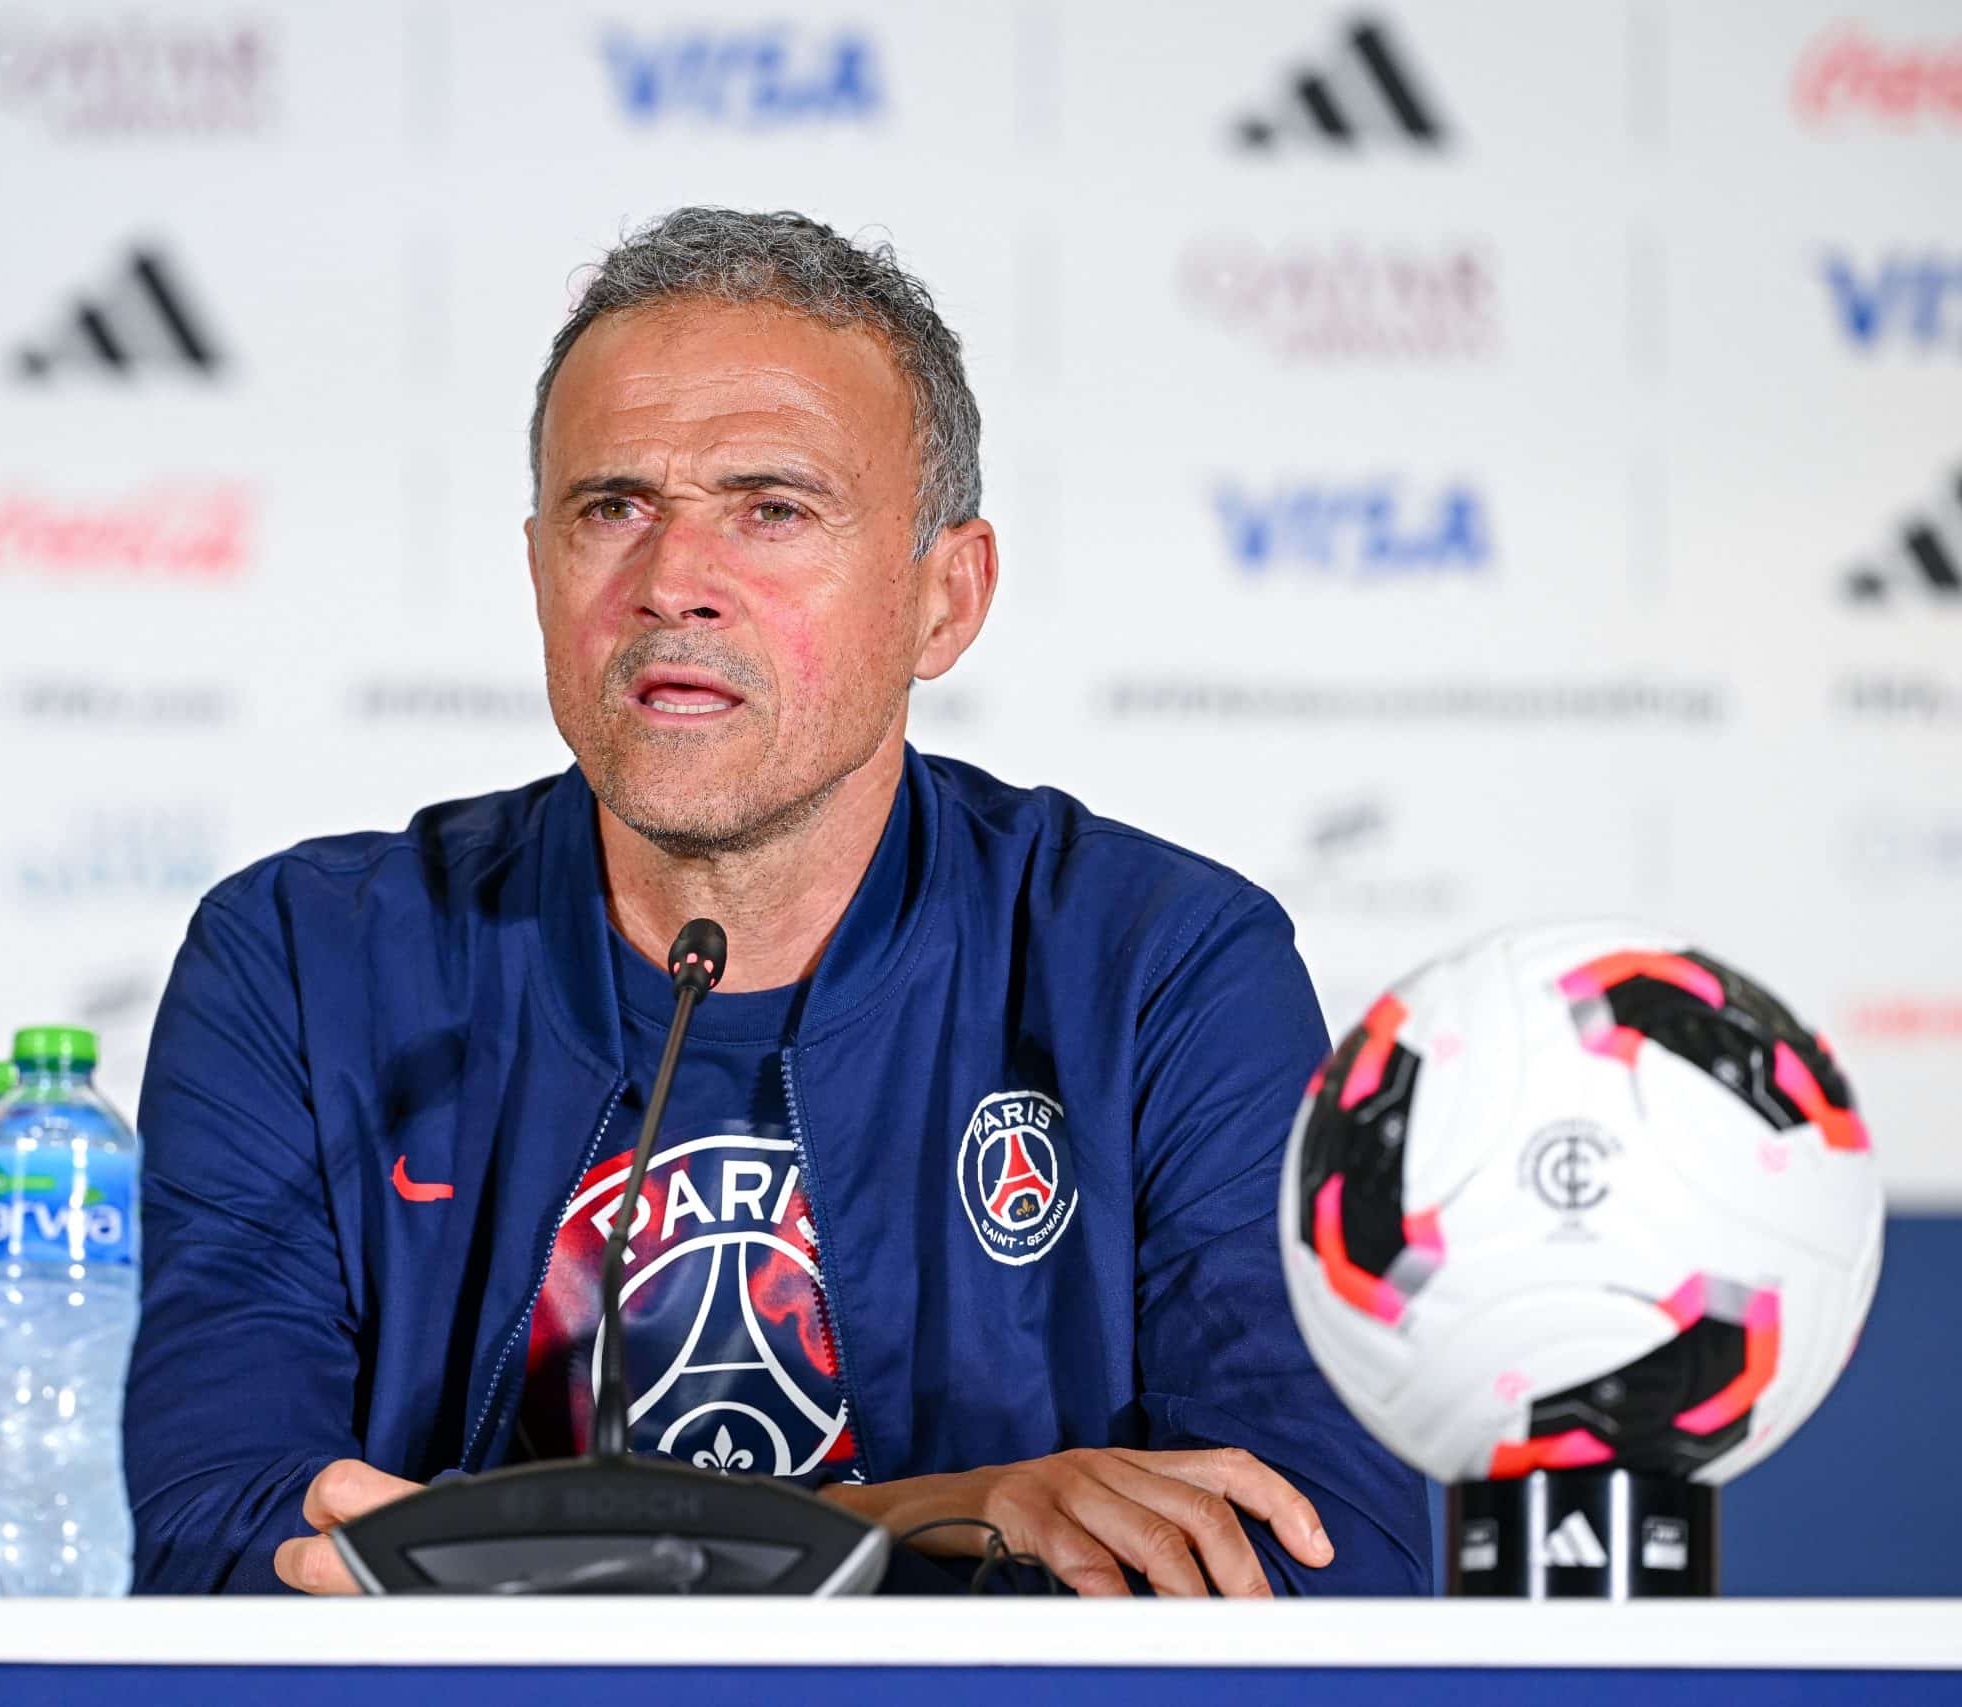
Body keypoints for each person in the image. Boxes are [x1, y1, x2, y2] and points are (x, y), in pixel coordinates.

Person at [126, 207, 1431, 1596]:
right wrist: (948, 1510)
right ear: (537, 571)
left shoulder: (1160, 968)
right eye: (612, 508)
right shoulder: (306, 962)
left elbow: (1325, 1559)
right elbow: (213, 1540)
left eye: (774, 511)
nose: (674, 583)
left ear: (946, 598)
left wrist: (496, 1560)